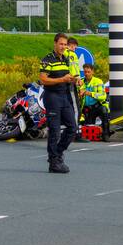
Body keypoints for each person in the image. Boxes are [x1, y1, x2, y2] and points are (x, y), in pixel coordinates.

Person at [40, 32, 79, 174]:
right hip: (52, 97)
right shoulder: (47, 59)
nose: (63, 47)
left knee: (72, 127)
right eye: (61, 44)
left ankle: (57, 154)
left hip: (64, 95)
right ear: (55, 43)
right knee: (55, 131)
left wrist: (74, 80)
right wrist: (61, 79)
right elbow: (43, 79)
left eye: (65, 45)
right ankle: (54, 162)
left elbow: (66, 77)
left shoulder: (65, 59)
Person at [79, 63, 110, 142]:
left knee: (104, 111)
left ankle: (106, 134)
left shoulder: (98, 81)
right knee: (89, 126)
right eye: (85, 72)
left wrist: (89, 93)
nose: (86, 74)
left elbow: (103, 96)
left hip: (97, 106)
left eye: (88, 72)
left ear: (92, 72)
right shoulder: (81, 82)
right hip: (87, 108)